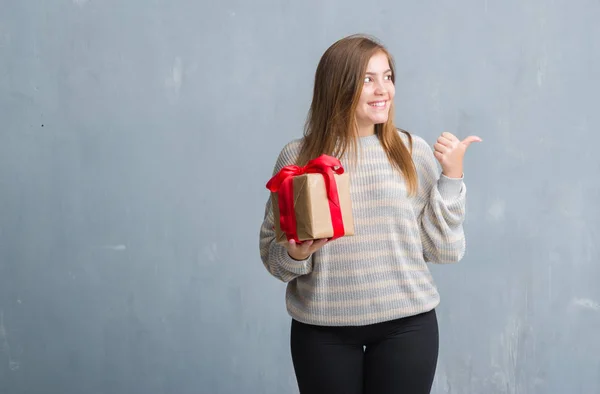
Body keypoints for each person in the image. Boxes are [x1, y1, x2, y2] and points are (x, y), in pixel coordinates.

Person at [259, 34, 481, 394]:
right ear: (338, 85)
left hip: (407, 327)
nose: (383, 90)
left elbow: (444, 250)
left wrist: (452, 180)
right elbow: (274, 258)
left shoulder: (411, 151)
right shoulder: (297, 159)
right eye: (368, 79)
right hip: (322, 330)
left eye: (388, 76)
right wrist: (296, 253)